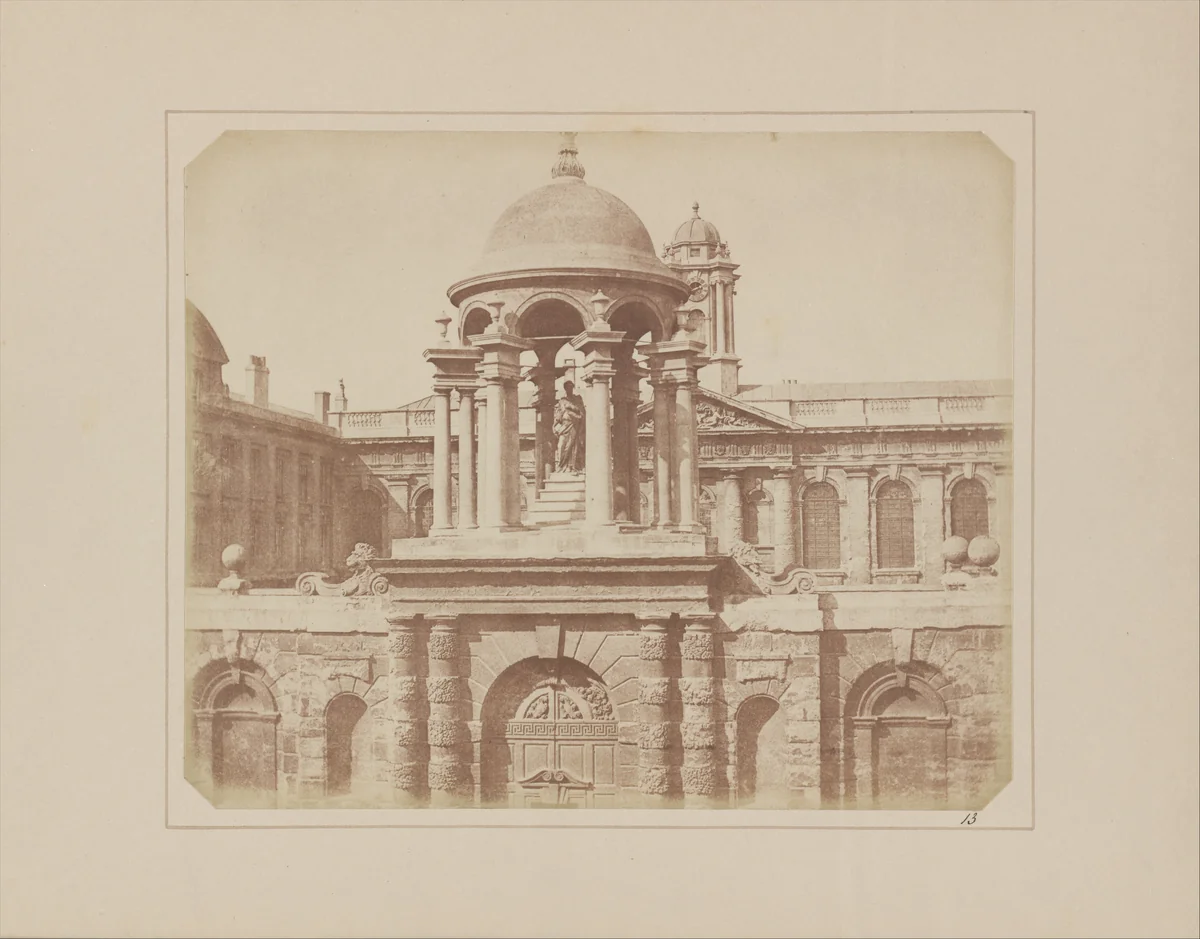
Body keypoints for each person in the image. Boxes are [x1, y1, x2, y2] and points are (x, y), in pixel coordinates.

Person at [553, 381, 586, 473]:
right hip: (564, 426)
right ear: (565, 389)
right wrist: (554, 425)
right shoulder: (562, 401)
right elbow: (558, 415)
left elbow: (581, 412)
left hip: (573, 425)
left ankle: (570, 467)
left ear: (573, 388)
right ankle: (561, 466)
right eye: (567, 387)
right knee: (561, 446)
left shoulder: (577, 399)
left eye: (571, 387)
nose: (569, 389)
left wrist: (571, 407)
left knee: (572, 446)